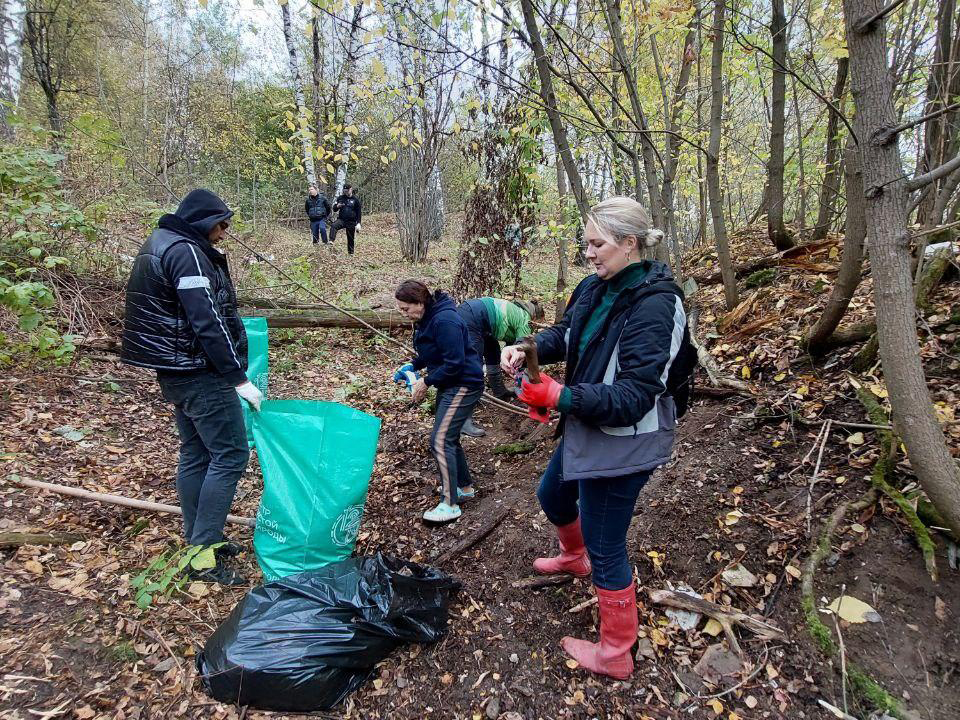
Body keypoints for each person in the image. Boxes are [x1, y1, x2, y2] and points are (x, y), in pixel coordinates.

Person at [501, 196, 688, 679]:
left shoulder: (658, 303)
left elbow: (635, 396)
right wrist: (527, 349)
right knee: (552, 495)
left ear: (630, 244)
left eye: (597, 243)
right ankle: (572, 557)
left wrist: (560, 396)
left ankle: (616, 652)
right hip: (588, 422)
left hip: (627, 438)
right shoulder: (593, 286)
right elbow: (567, 334)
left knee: (608, 543)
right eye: (585, 242)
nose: (588, 252)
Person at [121, 189, 264, 586]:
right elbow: (206, 319)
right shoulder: (186, 251)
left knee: (197, 452)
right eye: (221, 224)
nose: (224, 232)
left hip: (175, 371)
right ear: (204, 221)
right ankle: (202, 555)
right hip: (200, 373)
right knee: (231, 455)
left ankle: (201, 540)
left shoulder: (161, 242)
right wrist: (238, 377)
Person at [395, 280, 484, 523]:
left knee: (440, 440)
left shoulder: (445, 321)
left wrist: (426, 382)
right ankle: (464, 488)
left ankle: (449, 503)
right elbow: (436, 352)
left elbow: (454, 362)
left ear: (420, 303)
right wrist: (413, 365)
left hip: (464, 383)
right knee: (448, 438)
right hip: (451, 383)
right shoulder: (428, 318)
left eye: (406, 309)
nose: (405, 315)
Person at [456, 297, 544, 436]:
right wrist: (533, 379)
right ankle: (463, 421)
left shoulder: (517, 311)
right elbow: (523, 350)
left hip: (478, 317)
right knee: (473, 367)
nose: (536, 328)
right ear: (535, 317)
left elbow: (511, 346)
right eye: (537, 324)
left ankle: (499, 391)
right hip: (473, 317)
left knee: (493, 350)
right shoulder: (524, 318)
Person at [330, 183, 362, 254]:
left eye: (347, 191)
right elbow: (334, 209)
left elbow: (359, 212)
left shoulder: (355, 200)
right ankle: (331, 241)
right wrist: (337, 206)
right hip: (342, 219)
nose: (346, 192)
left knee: (350, 238)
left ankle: (351, 253)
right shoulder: (340, 198)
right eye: (344, 191)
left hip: (351, 221)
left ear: (351, 189)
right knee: (334, 226)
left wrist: (358, 223)